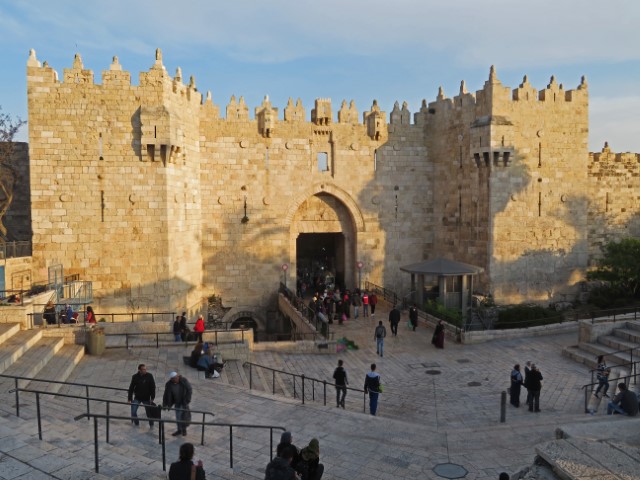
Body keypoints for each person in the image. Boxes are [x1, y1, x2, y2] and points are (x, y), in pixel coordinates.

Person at [162, 371, 193, 436]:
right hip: (177, 402)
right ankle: (180, 430)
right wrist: (165, 404)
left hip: (184, 402)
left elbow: (189, 389)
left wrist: (187, 400)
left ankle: (183, 430)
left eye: (176, 378)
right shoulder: (169, 384)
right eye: (174, 378)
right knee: (178, 417)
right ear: (171, 379)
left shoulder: (183, 381)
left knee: (184, 416)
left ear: (178, 377)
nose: (176, 379)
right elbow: (166, 394)